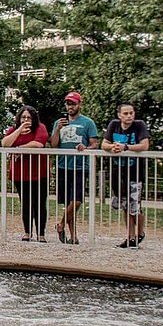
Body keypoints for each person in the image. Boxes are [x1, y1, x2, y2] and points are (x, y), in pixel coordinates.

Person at [50, 91, 99, 245]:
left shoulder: (87, 122)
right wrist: (57, 129)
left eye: (73, 103)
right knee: (68, 203)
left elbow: (94, 143)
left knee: (76, 201)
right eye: (68, 103)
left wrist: (86, 147)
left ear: (79, 104)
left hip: (79, 166)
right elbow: (53, 144)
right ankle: (74, 236)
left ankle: (61, 225)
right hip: (63, 165)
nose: (70, 106)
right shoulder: (60, 122)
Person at [102, 103, 150, 248]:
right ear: (119, 115)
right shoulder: (114, 125)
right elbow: (104, 143)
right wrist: (112, 147)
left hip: (135, 172)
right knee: (124, 205)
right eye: (126, 113)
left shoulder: (139, 125)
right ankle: (130, 236)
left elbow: (145, 145)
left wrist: (126, 147)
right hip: (118, 172)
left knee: (135, 205)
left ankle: (140, 232)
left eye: (131, 113)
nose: (129, 116)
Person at [2, 105, 50, 242]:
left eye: (29, 117)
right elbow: (5, 143)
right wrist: (19, 130)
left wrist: (18, 149)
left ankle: (41, 233)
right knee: (26, 202)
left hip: (39, 172)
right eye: (23, 117)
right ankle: (27, 232)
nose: (26, 120)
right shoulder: (13, 129)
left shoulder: (40, 128)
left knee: (40, 203)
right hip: (20, 174)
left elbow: (39, 144)